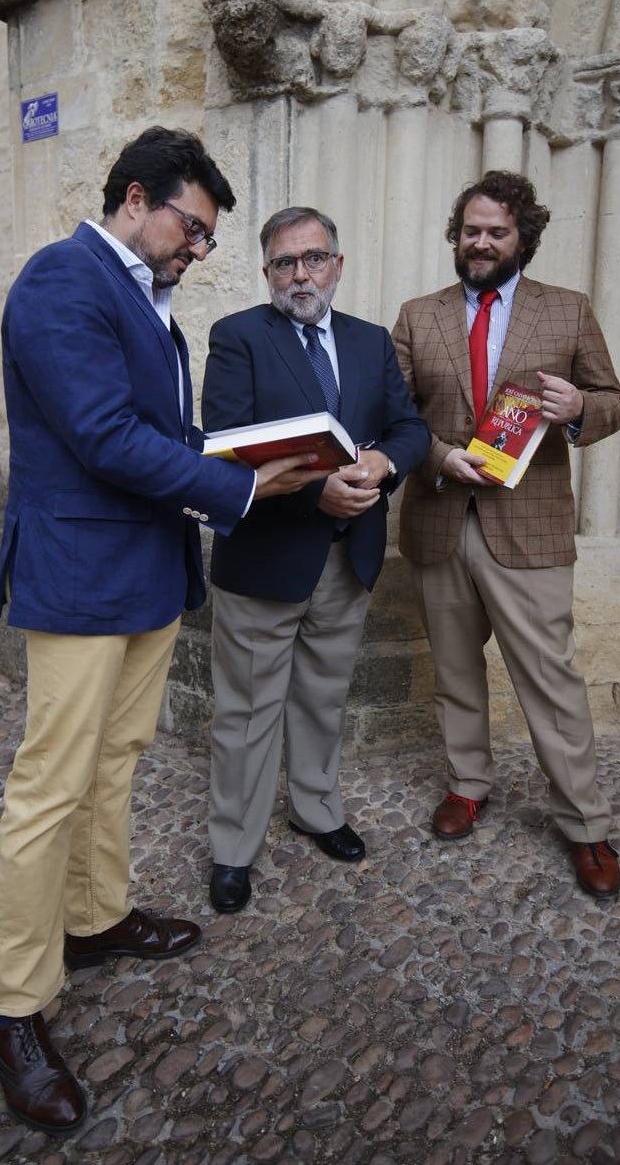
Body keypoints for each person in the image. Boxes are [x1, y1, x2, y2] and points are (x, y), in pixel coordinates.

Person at [0, 128, 325, 1136]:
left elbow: (158, 434)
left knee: (120, 758)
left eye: (210, 238)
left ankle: (92, 921)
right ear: (137, 197)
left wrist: (255, 456)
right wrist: (237, 485)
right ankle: (14, 1010)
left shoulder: (140, 296)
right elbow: (99, 434)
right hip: (82, 571)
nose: (199, 249)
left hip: (142, 569)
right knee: (50, 783)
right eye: (194, 227)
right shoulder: (62, 280)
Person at [392, 170, 620, 899]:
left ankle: (586, 825)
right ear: (456, 236)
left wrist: (577, 406)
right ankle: (468, 783)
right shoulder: (418, 314)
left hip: (528, 527)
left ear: (523, 236)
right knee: (456, 672)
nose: (482, 242)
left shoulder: (567, 311)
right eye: (471, 230)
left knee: (551, 682)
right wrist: (436, 456)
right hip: (440, 517)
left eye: (497, 231)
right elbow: (394, 415)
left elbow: (614, 402)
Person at [202, 206, 430, 913]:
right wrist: (315, 496)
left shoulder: (368, 342)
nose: (300, 274)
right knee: (245, 712)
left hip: (349, 558)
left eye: (313, 258)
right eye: (283, 262)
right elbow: (228, 443)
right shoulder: (238, 337)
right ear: (267, 271)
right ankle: (233, 850)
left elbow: (410, 428)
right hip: (268, 559)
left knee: (323, 699)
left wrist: (385, 464)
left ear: (337, 264)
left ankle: (317, 809)